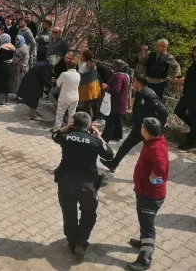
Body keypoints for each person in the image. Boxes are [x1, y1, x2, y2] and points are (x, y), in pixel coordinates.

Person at [52, 112, 113, 260]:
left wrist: (66, 127)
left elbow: (55, 135)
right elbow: (109, 155)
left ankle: (72, 242)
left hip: (66, 183)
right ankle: (81, 242)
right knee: (89, 213)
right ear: (89, 126)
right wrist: (99, 137)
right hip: (88, 186)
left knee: (69, 213)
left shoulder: (66, 137)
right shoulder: (95, 141)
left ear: (74, 124)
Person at [101, 75, 167, 174]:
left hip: (147, 129)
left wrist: (157, 127)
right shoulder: (140, 92)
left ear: (139, 83)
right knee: (126, 145)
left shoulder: (149, 95)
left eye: (134, 81)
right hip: (139, 127)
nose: (133, 83)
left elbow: (163, 111)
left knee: (149, 152)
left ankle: (155, 171)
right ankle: (113, 163)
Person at [127, 117, 168, 271]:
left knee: (148, 226)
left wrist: (152, 177)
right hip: (146, 192)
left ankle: (145, 260)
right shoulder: (155, 142)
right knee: (145, 222)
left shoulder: (155, 148)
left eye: (142, 126)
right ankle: (143, 242)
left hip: (150, 195)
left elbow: (160, 167)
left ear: (145, 130)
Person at [17, 55, 57, 121]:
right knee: (34, 98)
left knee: (34, 98)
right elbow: (44, 77)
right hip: (33, 83)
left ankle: (34, 111)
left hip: (31, 80)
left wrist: (50, 79)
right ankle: (33, 115)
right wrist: (51, 84)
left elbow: (44, 75)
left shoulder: (44, 63)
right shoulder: (45, 66)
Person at [102, 60, 130, 143]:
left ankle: (104, 138)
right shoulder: (125, 76)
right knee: (118, 120)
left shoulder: (118, 76)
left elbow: (116, 90)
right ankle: (117, 135)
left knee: (110, 121)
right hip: (121, 102)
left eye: (114, 65)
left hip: (115, 103)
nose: (112, 67)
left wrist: (106, 87)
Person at [174, 45, 196, 150]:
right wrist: (183, 80)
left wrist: (183, 81)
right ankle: (193, 130)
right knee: (178, 110)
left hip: (194, 96)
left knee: (194, 118)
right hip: (187, 94)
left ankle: (189, 143)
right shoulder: (194, 63)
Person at [54, 52, 81, 132]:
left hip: (64, 97)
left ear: (67, 66)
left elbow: (58, 83)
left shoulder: (64, 74)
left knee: (59, 115)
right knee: (72, 115)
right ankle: (70, 130)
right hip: (75, 97)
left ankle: (57, 130)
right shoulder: (78, 75)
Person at [0, 32, 15, 106]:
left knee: (1, 84)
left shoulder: (3, 47)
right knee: (7, 84)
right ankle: (5, 100)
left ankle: (1, 101)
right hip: (10, 67)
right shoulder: (12, 46)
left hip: (3, 67)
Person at [78, 50, 102, 120]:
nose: (79, 56)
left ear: (84, 57)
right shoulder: (93, 64)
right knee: (90, 106)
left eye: (81, 55)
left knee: (87, 108)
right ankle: (92, 120)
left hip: (86, 88)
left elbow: (78, 76)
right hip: (94, 87)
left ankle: (89, 124)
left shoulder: (83, 65)